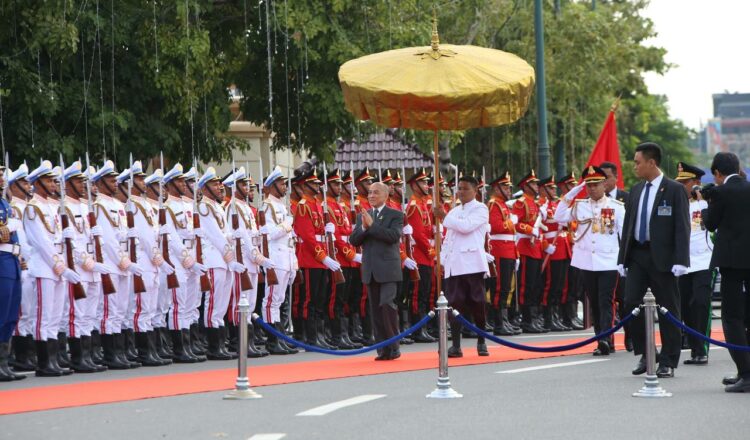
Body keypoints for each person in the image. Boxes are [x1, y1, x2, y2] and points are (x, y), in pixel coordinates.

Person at [618, 142, 690, 378]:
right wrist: (622, 258)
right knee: (631, 304)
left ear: (652, 162)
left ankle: (668, 360)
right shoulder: (637, 190)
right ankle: (647, 354)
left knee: (667, 308)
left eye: (638, 162)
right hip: (638, 254)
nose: (634, 166)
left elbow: (682, 226)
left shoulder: (673, 189)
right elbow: (628, 225)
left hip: (664, 258)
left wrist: (681, 259)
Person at [555, 166, 624, 355]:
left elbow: (624, 235)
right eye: (589, 185)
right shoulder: (580, 205)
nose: (592, 188)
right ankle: (601, 337)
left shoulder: (616, 207)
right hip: (586, 261)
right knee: (593, 302)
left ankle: (605, 338)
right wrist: (574, 191)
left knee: (606, 301)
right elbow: (558, 216)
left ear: (604, 184)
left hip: (609, 260)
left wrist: (624, 262)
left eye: (596, 184)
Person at [702, 152, 750, 392]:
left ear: (717, 173)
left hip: (731, 263)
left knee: (732, 317)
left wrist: (706, 205)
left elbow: (711, 223)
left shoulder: (720, 192)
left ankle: (745, 372)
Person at [434, 175, 491, 357]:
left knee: (477, 303)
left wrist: (443, 216)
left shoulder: (481, 208)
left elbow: (466, 227)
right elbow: (448, 239)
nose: (461, 192)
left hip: (472, 263)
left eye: (466, 188)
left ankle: (481, 340)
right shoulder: (454, 211)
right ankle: (456, 345)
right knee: (454, 305)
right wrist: (441, 260)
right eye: (459, 188)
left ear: (475, 191)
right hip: (454, 264)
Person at [350, 181, 403, 360]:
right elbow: (354, 240)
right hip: (371, 269)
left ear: (386, 195)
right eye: (370, 192)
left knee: (387, 305)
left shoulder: (395, 214)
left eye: (376, 192)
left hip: (388, 268)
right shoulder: (362, 216)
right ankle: (382, 349)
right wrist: (364, 227)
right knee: (375, 310)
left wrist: (372, 226)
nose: (371, 195)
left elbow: (393, 236)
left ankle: (394, 345)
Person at [674, 162, 713, 366]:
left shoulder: (706, 204)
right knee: (686, 306)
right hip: (684, 263)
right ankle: (694, 348)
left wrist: (703, 199)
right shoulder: (677, 205)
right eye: (679, 182)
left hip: (704, 260)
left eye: (685, 182)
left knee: (700, 303)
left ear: (696, 183)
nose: (681, 186)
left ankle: (703, 349)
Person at [600, 161, 632, 350]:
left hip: (624, 257)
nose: (603, 182)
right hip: (604, 260)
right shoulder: (594, 201)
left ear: (616, 178)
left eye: (607, 177)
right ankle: (606, 340)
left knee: (626, 299)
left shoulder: (627, 198)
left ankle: (630, 336)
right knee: (605, 300)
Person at [487, 171, 520, 336]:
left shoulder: (503, 205)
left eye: (509, 187)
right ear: (497, 188)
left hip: (508, 250)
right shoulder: (494, 204)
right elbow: (496, 227)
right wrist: (510, 221)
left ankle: (504, 320)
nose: (509, 190)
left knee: (507, 287)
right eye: (505, 187)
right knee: (500, 287)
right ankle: (498, 322)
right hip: (499, 250)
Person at [0, 163, 25, 381]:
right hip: (1, 261)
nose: (1, 179)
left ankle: (4, 363)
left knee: (10, 315)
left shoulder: (5, 204)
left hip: (12, 260)